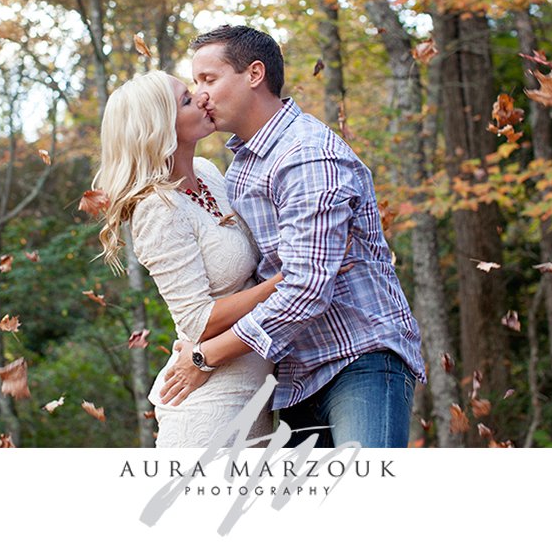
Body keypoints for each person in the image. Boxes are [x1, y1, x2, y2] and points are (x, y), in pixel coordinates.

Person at [159, 25, 427, 448]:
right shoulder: (242, 164)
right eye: (196, 84)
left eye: (208, 79)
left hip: (357, 357)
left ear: (254, 74)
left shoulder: (306, 156)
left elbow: (305, 289)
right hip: (295, 371)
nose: (202, 94)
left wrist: (205, 356)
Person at [92, 70, 279, 447]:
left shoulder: (208, 173)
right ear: (160, 127)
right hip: (212, 410)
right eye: (187, 100)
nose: (203, 98)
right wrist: (284, 282)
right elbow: (197, 321)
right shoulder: (157, 209)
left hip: (255, 394)